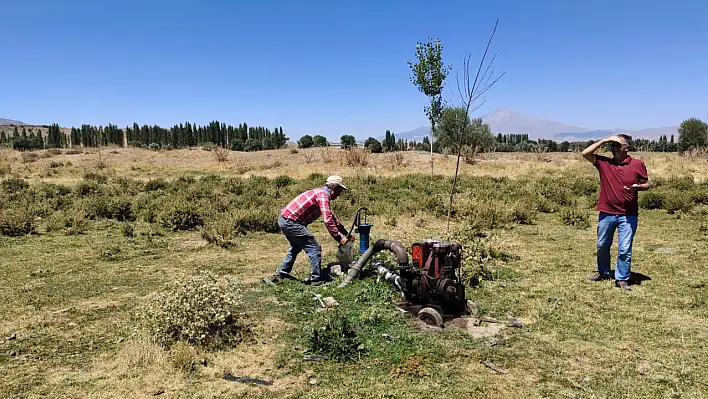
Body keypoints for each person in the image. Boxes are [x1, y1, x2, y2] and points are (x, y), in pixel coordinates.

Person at [581, 134, 649, 290]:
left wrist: (638, 187)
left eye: (618, 145)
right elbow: (585, 154)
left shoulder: (638, 164)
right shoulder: (604, 163)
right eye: (613, 146)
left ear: (627, 148)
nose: (615, 149)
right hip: (607, 212)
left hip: (628, 214)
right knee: (602, 245)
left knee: (625, 247)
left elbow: (647, 184)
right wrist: (604, 140)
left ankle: (622, 278)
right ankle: (603, 272)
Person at [270, 175, 351, 286]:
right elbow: (327, 220)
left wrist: (344, 231)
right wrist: (339, 237)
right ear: (334, 188)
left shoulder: (320, 193)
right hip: (291, 222)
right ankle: (316, 279)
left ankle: (281, 273)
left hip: (285, 219)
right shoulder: (323, 196)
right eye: (339, 190)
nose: (340, 194)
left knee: (296, 247)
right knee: (314, 248)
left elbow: (330, 216)